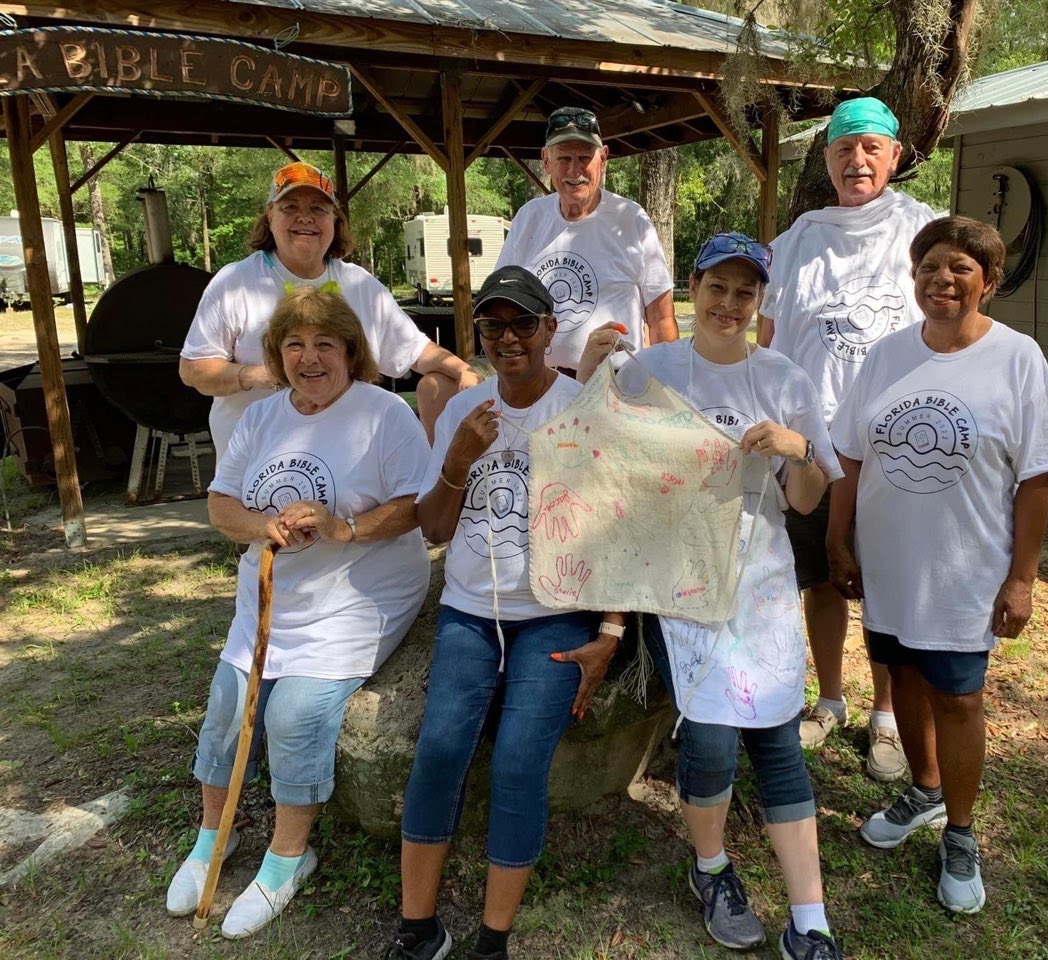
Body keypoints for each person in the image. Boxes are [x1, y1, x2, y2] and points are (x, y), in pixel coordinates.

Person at [578, 233, 844, 960]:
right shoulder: (657, 369)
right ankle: (712, 869)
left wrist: (799, 451)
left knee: (780, 742)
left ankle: (810, 920)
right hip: (678, 586)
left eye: (745, 292)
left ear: (762, 302)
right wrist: (589, 367)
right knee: (712, 740)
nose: (730, 305)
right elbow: (594, 445)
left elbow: (807, 494)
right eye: (717, 289)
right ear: (693, 289)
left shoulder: (785, 378)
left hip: (759, 583)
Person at [165, 287, 432, 937]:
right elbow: (223, 506)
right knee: (228, 705)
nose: (309, 358)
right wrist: (265, 524)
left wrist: (343, 527)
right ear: (278, 356)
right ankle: (213, 840)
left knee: (292, 712)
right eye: (294, 345)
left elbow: (415, 508)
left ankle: (288, 858)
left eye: (324, 344)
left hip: (359, 593)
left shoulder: (383, 414)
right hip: (272, 593)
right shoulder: (261, 417)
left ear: (350, 351)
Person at [826, 216, 1048, 913]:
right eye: (931, 265)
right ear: (914, 277)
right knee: (901, 672)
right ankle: (925, 790)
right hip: (889, 561)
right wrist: (838, 539)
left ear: (988, 284)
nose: (943, 279)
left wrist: (1022, 577)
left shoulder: (1018, 360)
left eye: (962, 268)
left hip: (966, 568)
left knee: (959, 698)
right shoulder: (886, 355)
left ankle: (960, 835)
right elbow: (849, 452)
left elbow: (1037, 479)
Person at [387, 265, 623, 960]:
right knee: (438, 751)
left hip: (556, 611)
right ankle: (417, 928)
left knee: (520, 762)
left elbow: (620, 527)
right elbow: (432, 528)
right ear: (480, 335)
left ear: (552, 330)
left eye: (524, 323)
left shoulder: (588, 407)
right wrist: (457, 460)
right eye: (494, 326)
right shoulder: (465, 411)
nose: (510, 337)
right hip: (470, 608)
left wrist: (610, 632)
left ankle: (494, 940)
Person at [759, 96, 937, 766]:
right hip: (811, 448)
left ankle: (886, 717)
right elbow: (768, 343)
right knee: (820, 580)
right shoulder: (797, 240)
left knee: (884, 586)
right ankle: (829, 698)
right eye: (843, 148)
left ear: (895, 155)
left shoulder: (924, 231)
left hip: (895, 452)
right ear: (828, 158)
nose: (856, 160)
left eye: (870, 147)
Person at [180, 160, 478, 452]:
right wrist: (260, 375)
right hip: (259, 464)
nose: (305, 218)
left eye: (318, 209)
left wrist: (463, 370)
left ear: (334, 220)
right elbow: (193, 370)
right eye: (290, 207)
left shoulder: (360, 284)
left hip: (351, 462)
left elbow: (416, 351)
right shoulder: (235, 281)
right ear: (270, 216)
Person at [491, 106, 677, 375]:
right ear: (545, 160)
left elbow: (662, 318)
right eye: (564, 158)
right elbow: (502, 306)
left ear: (603, 158)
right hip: (544, 388)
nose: (574, 170)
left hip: (616, 384)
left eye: (584, 158)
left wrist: (670, 384)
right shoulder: (528, 218)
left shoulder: (631, 218)